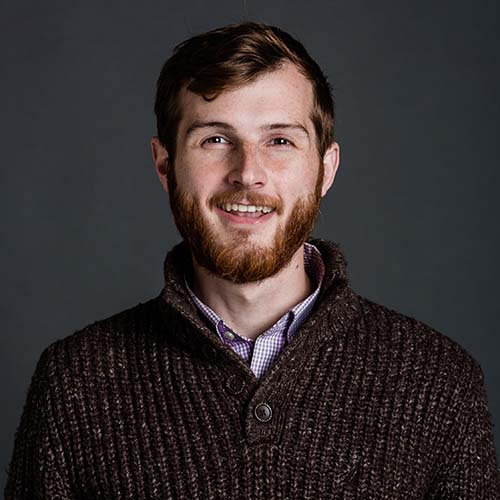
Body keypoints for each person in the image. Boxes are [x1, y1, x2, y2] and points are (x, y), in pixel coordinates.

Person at [5, 21, 500, 500]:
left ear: (324, 170)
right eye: (215, 139)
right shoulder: (74, 380)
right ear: (165, 166)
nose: (248, 174)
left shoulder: (438, 381)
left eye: (280, 140)